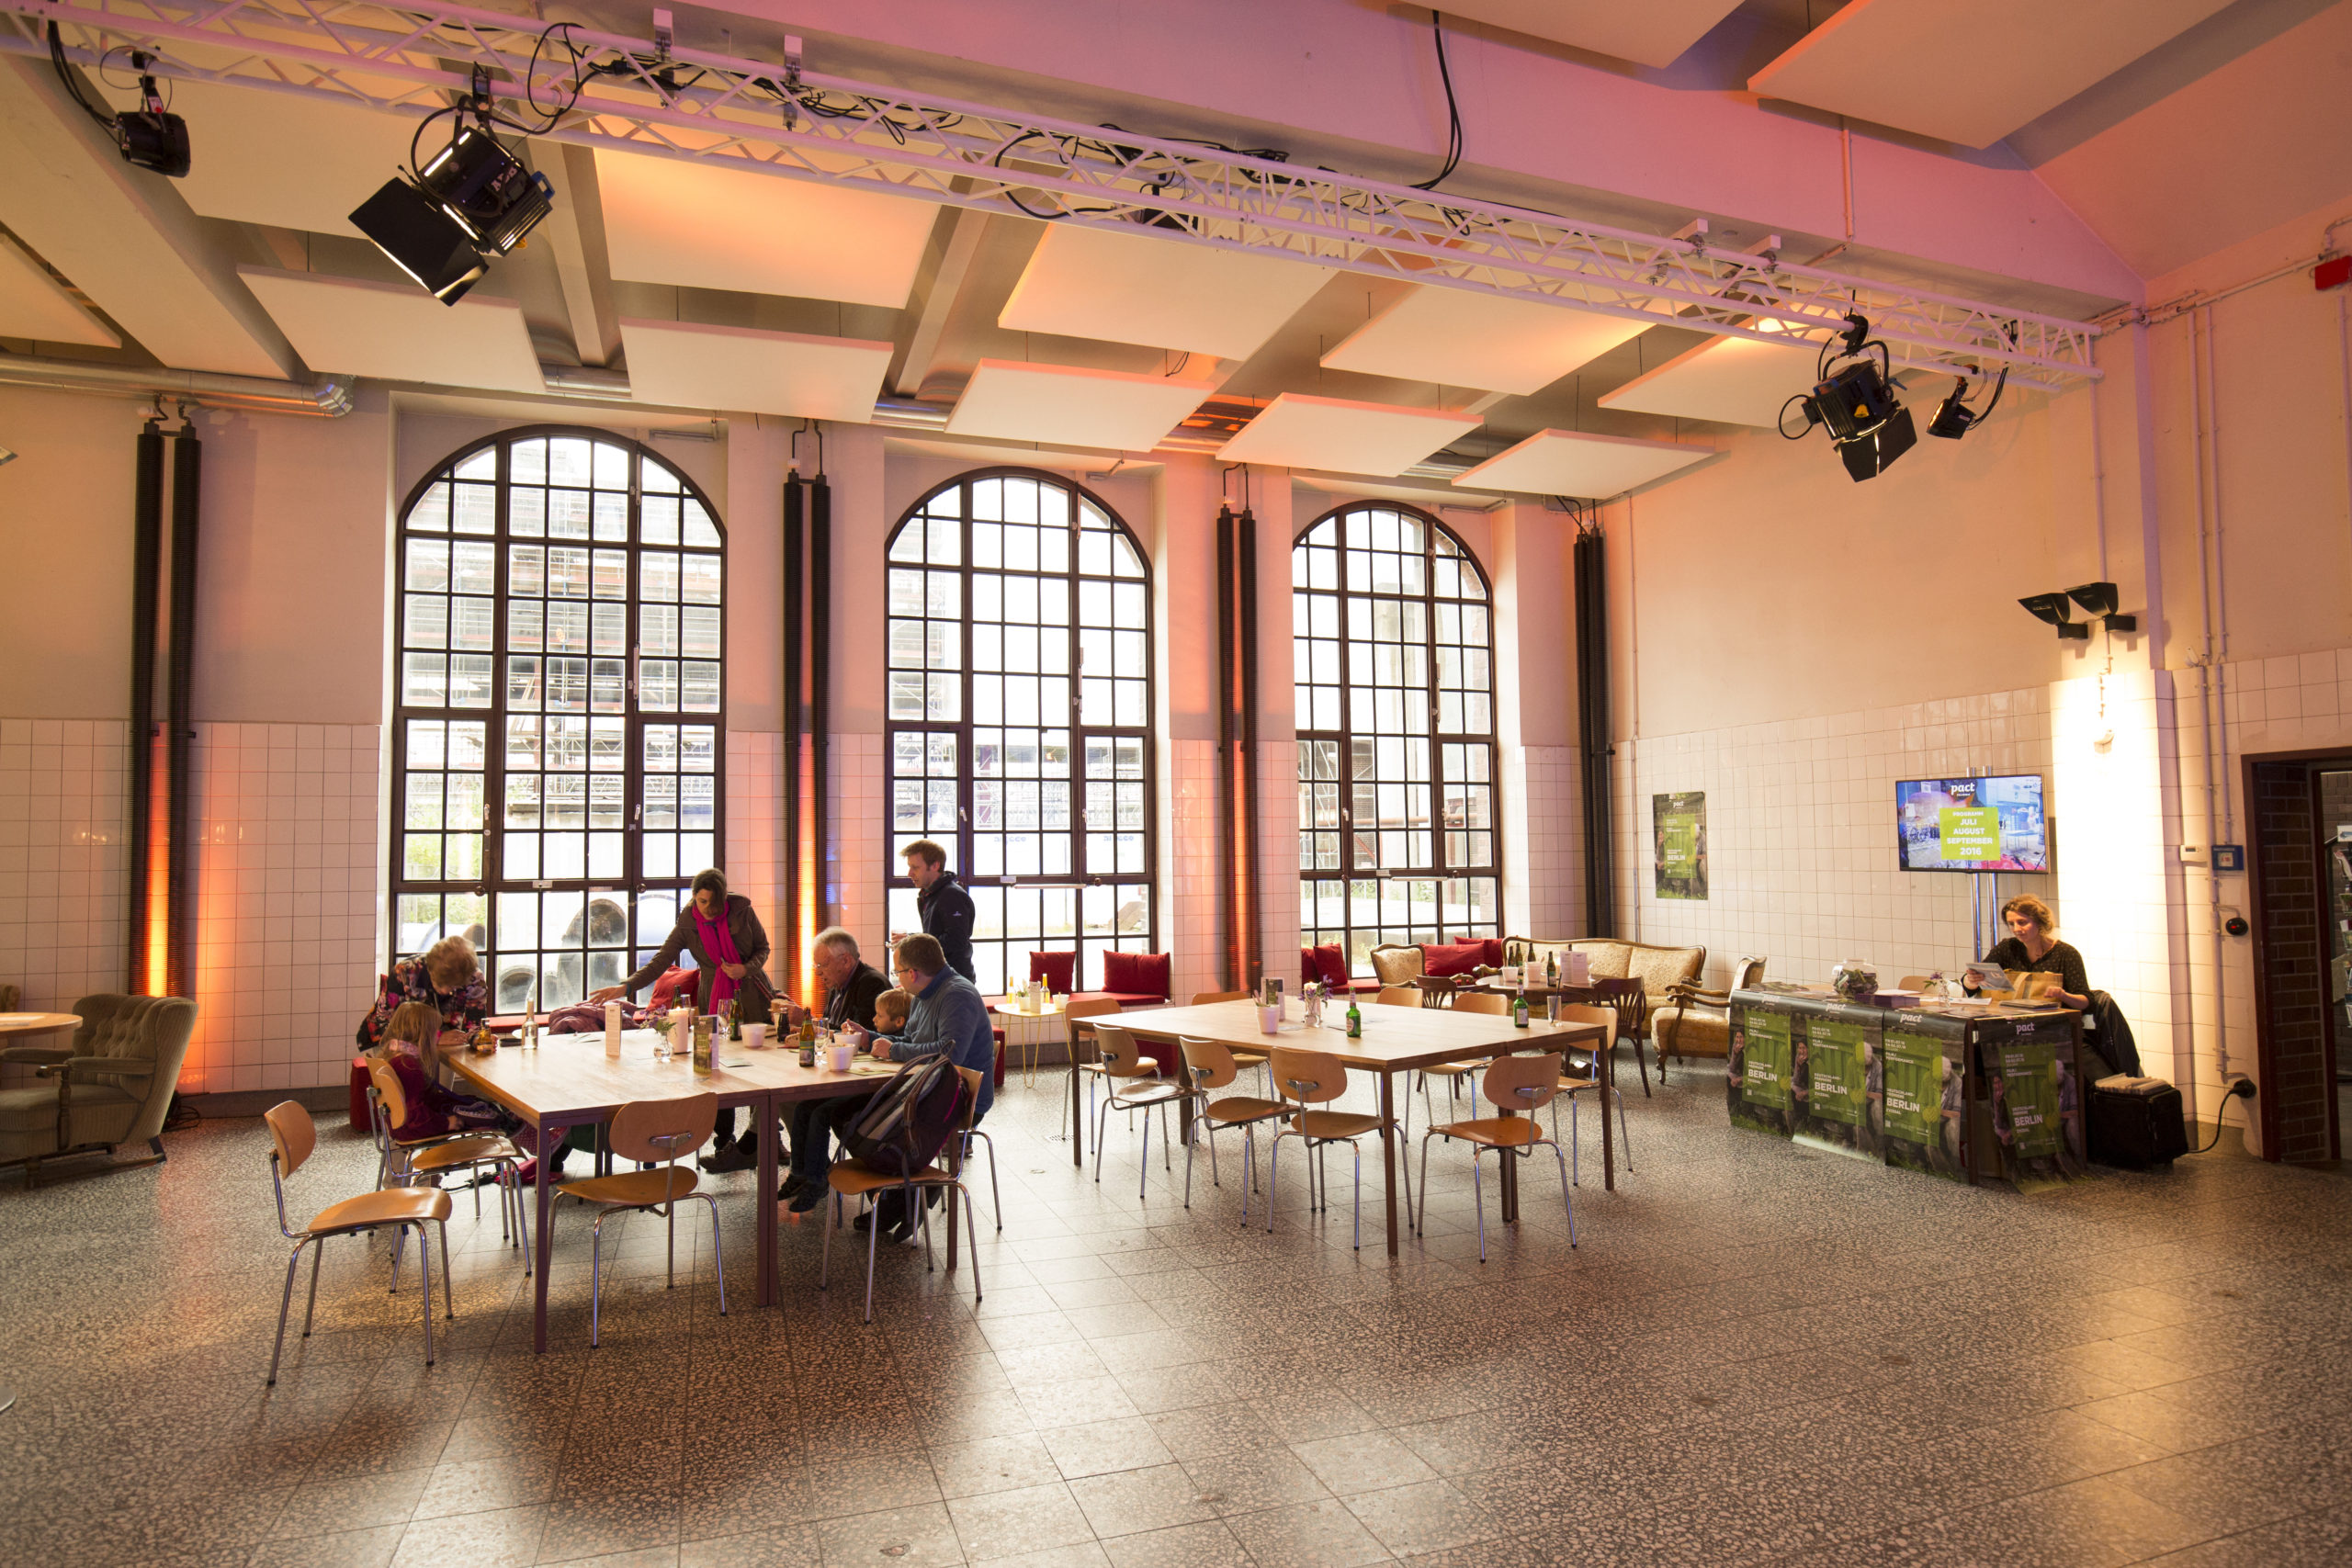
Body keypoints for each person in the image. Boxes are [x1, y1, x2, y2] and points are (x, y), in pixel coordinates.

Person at [825, 933, 995, 1241]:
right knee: (843, 1114)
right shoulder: (923, 994)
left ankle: (902, 1195)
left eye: (898, 972)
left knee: (860, 1123)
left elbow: (948, 1053)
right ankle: (905, 1192)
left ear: (912, 973)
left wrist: (894, 1050)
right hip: (926, 1088)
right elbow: (913, 1044)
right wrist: (876, 1041)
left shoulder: (957, 995)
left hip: (957, 1099)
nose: (897, 978)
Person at [592, 869, 775, 1149]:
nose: (709, 910)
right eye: (702, 902)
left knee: (758, 1067)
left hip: (751, 992)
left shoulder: (742, 910)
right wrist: (625, 987)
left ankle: (765, 1138)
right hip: (712, 994)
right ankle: (724, 1142)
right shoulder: (688, 922)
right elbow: (661, 961)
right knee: (713, 1065)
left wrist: (745, 968)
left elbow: (763, 948)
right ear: (694, 898)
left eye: (714, 904)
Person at [702, 927, 888, 1175]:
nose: (819, 972)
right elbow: (832, 1027)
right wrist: (802, 1025)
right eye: (816, 966)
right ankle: (761, 1150)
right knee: (774, 1081)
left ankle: (810, 1169)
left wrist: (806, 1021)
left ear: (845, 960)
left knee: (786, 1094)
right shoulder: (840, 983)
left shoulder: (870, 983)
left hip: (863, 1077)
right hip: (839, 1067)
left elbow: (855, 1038)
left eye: (822, 965)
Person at [376, 1000, 503, 1140]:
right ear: (424, 1035)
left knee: (469, 1103)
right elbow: (416, 1116)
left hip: (403, 1127)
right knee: (491, 1117)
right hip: (413, 1130)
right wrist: (446, 1123)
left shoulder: (395, 1057)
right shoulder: (408, 1067)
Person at [360, 936, 489, 1050]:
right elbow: (387, 1024)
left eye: (452, 986)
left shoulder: (474, 980)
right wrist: (434, 1037)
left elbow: (474, 1025)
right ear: (430, 969)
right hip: (395, 1038)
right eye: (438, 983)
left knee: (439, 1076)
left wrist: (477, 1039)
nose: (444, 991)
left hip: (444, 1037)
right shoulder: (405, 973)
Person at [1962, 895, 2089, 1008]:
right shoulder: (2007, 948)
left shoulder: (2066, 954)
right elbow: (1971, 985)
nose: (2016, 929)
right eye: (2011, 924)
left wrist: (2063, 995)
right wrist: (1971, 980)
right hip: (2008, 1023)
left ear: (2039, 922)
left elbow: (2085, 1002)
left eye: (2022, 922)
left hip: (2052, 1026)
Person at [902, 840, 976, 983]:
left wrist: (914, 943)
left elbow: (956, 940)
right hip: (939, 977)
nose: (909, 873)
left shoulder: (952, 896)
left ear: (935, 865)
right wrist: (911, 939)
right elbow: (935, 935)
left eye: (915, 867)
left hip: (953, 980)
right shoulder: (929, 894)